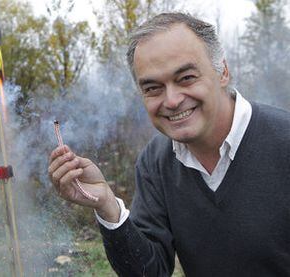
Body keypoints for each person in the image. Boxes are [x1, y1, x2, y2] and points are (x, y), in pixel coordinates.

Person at [48, 12, 290, 277]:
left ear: (223, 72)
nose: (172, 100)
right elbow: (150, 271)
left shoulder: (284, 141)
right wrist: (107, 205)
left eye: (186, 78)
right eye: (153, 88)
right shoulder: (155, 162)